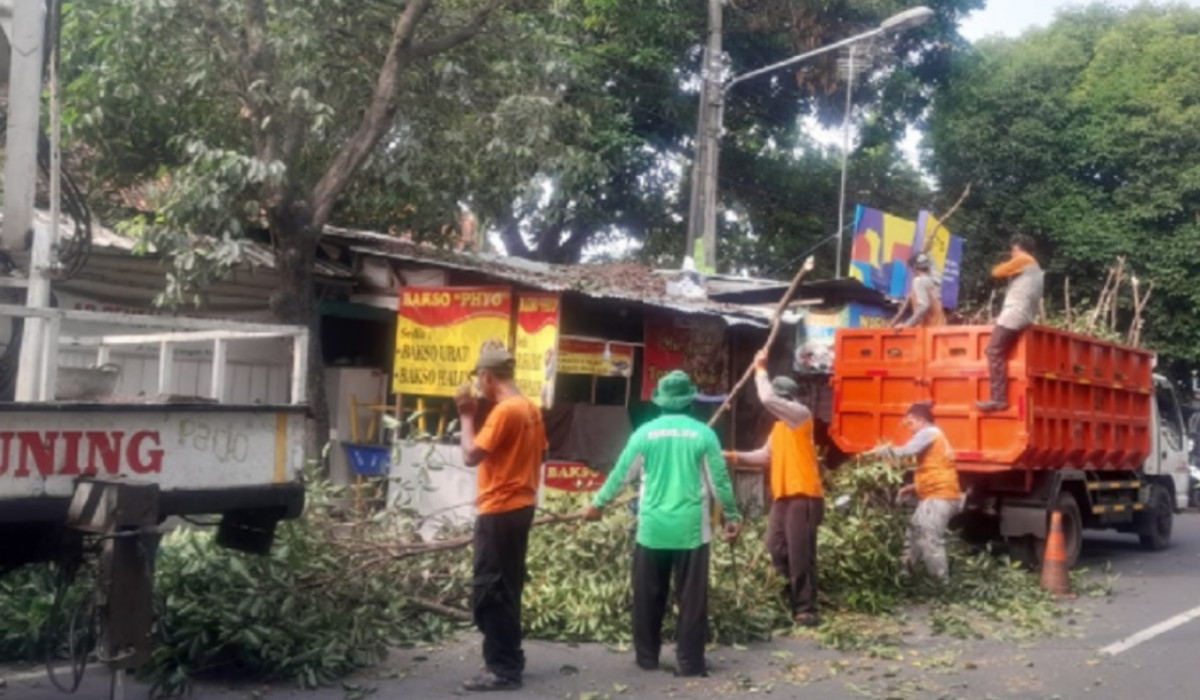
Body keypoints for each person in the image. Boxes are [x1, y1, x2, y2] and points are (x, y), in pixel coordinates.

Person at [584, 370, 740, 678]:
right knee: (692, 602)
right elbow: (719, 481)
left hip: (652, 529)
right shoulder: (703, 434)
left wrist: (597, 504)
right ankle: (691, 663)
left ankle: (647, 658)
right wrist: (731, 517)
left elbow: (621, 473)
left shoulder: (644, 434)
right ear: (688, 402)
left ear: (661, 402)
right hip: (692, 532)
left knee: (647, 597)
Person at [454, 345, 547, 692]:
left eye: (479, 377)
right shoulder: (530, 408)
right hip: (521, 505)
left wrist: (466, 415)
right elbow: (540, 455)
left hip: (500, 508)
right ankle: (510, 657)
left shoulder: (505, 411)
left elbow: (470, 455)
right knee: (507, 587)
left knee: (490, 590)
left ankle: (503, 669)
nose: (479, 382)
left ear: (487, 376)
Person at [724, 351, 825, 627]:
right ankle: (784, 597)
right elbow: (764, 457)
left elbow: (767, 398)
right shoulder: (779, 429)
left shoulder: (802, 416)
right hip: (783, 495)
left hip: (804, 494)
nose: (775, 405)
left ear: (787, 400)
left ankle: (806, 608)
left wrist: (760, 369)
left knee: (799, 551)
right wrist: (732, 455)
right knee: (775, 546)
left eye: (779, 400)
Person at [871, 402, 962, 581]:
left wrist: (882, 452)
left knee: (929, 537)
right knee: (913, 533)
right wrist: (912, 488)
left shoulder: (929, 433)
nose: (910, 428)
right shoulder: (935, 436)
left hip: (940, 495)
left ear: (921, 420)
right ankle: (905, 574)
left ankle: (941, 583)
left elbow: (907, 451)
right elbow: (935, 468)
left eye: (911, 423)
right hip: (934, 494)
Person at [978, 234, 1044, 412]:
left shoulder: (1023, 259)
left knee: (993, 351)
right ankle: (999, 397)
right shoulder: (1036, 266)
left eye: (1012, 250)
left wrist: (1005, 265)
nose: (1011, 253)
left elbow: (997, 272)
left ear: (1017, 248)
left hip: (1014, 313)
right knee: (1000, 351)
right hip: (1024, 314)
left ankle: (998, 399)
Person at [893, 252, 947, 328]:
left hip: (928, 333)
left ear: (914, 268)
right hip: (940, 330)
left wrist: (906, 325)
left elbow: (923, 306)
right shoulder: (932, 284)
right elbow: (902, 311)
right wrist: (892, 324)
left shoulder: (919, 281)